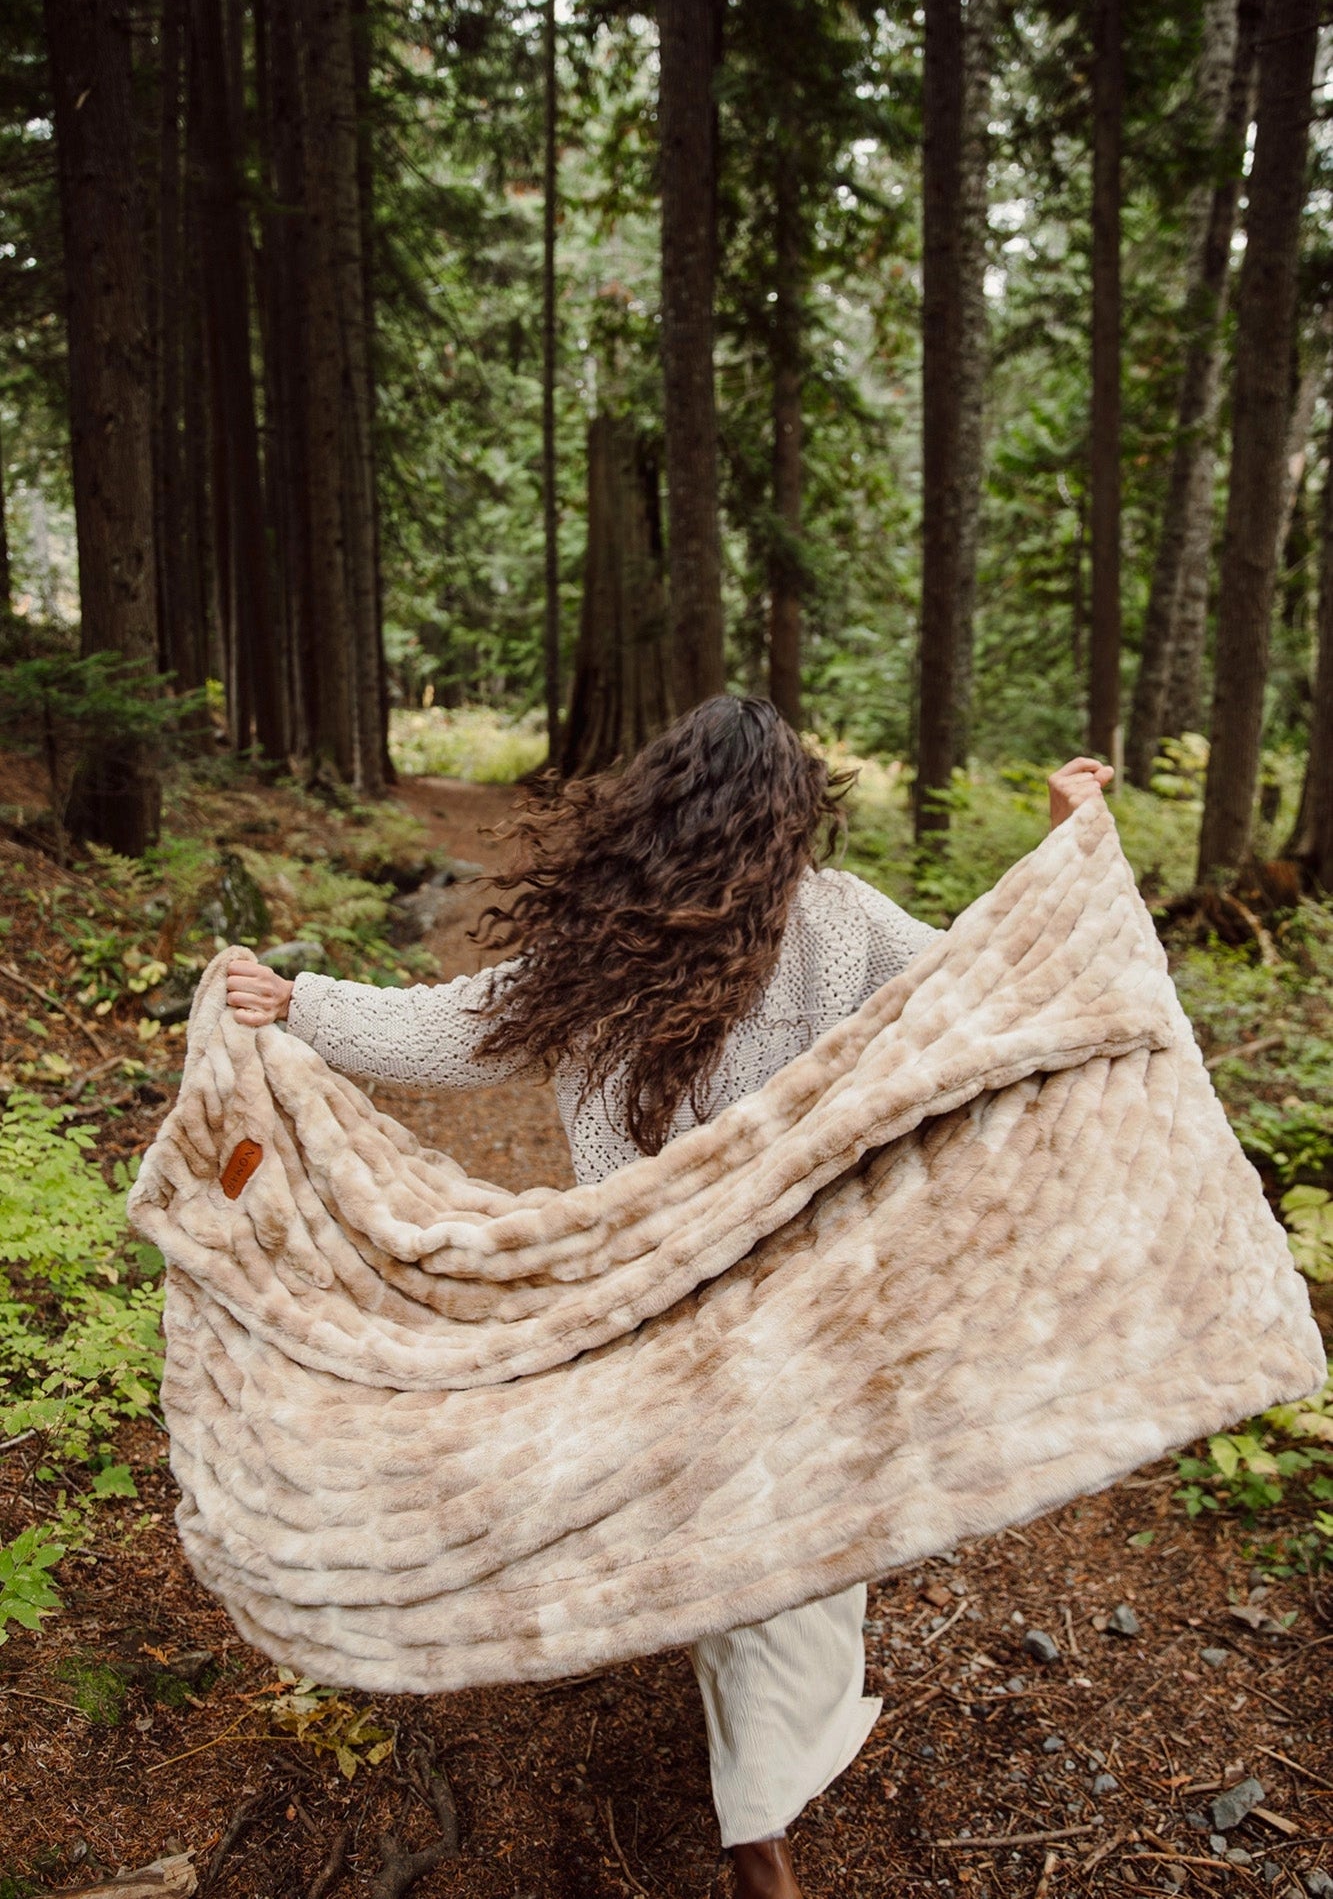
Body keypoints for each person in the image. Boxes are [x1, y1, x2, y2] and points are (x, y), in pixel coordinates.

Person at [226, 698, 1112, 1899]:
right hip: (786, 1291)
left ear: (658, 807)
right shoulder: (836, 923)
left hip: (659, 1290)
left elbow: (457, 1032)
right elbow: (991, 989)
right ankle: (758, 1822)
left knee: (734, 1516)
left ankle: (751, 1800)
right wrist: (1067, 845)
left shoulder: (622, 933)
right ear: (793, 814)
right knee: (787, 1534)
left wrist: (302, 1002)